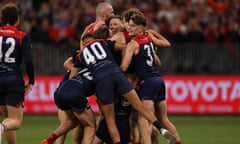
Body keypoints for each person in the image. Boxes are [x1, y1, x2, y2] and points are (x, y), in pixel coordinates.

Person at [79, 29, 176, 144]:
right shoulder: (103, 43)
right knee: (140, 107)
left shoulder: (81, 55)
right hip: (117, 74)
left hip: (103, 81)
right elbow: (124, 46)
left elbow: (80, 70)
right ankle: (160, 128)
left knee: (110, 120)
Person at [121, 14, 181, 144]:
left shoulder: (133, 44)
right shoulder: (149, 38)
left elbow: (124, 66)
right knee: (164, 119)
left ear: (141, 28)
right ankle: (178, 142)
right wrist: (153, 34)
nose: (129, 29)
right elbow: (167, 43)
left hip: (147, 82)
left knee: (143, 119)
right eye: (129, 25)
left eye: (133, 26)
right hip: (159, 80)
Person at [0, 3, 35, 144]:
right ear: (17, 19)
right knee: (15, 121)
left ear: (2, 18)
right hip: (13, 81)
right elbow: (29, 61)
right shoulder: (21, 36)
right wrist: (31, 81)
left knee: (8, 118)